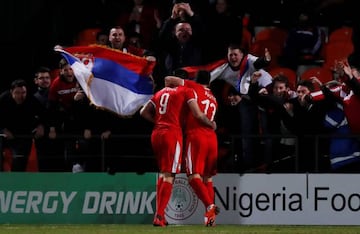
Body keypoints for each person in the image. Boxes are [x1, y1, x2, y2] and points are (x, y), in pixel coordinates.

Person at [140, 81, 215, 227]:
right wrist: (211, 124)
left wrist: (159, 121)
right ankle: (159, 216)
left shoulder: (160, 92)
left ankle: (159, 215)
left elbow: (143, 112)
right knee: (170, 174)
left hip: (156, 133)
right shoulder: (185, 91)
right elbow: (197, 113)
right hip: (172, 133)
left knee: (163, 173)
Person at [165, 70, 220, 226]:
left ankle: (210, 205)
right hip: (212, 139)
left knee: (193, 176)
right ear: (209, 82)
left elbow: (169, 78)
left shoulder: (193, 87)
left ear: (196, 79)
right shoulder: (214, 98)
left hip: (197, 136)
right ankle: (210, 219)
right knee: (207, 178)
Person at [209, 43, 272, 172]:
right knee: (246, 131)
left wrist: (266, 59)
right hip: (247, 98)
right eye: (230, 54)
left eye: (235, 54)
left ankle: (268, 164)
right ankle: (248, 164)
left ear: (242, 55)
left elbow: (260, 62)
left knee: (267, 131)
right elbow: (208, 77)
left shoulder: (249, 60)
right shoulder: (224, 68)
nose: (233, 57)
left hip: (265, 94)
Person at [0, 79, 45, 171]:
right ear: (11, 92)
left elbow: (44, 115)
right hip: (4, 134)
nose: (21, 96)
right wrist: (3, 129)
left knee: (19, 162)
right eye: (17, 93)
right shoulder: (3, 99)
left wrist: (41, 126)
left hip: (23, 135)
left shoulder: (31, 100)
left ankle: (16, 184)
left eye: (23, 92)